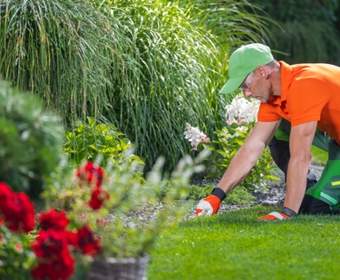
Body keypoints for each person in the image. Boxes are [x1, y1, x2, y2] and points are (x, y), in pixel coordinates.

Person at [196, 43, 340, 220]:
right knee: (278, 131)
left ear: (262, 72)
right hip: (335, 139)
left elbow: (301, 156)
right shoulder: (275, 99)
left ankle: (302, 201)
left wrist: (287, 213)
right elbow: (252, 148)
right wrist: (216, 196)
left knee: (318, 207)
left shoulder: (304, 85)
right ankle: (304, 190)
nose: (246, 94)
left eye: (245, 86)